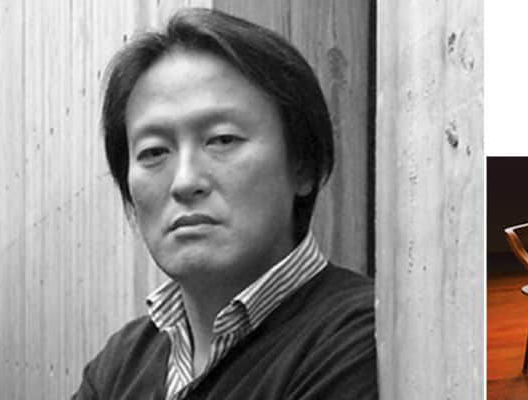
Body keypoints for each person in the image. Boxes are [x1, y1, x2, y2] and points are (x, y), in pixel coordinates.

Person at [74, 8, 376, 400]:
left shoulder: (362, 338)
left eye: (222, 140)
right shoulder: (119, 364)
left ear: (302, 164)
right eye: (154, 152)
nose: (185, 182)